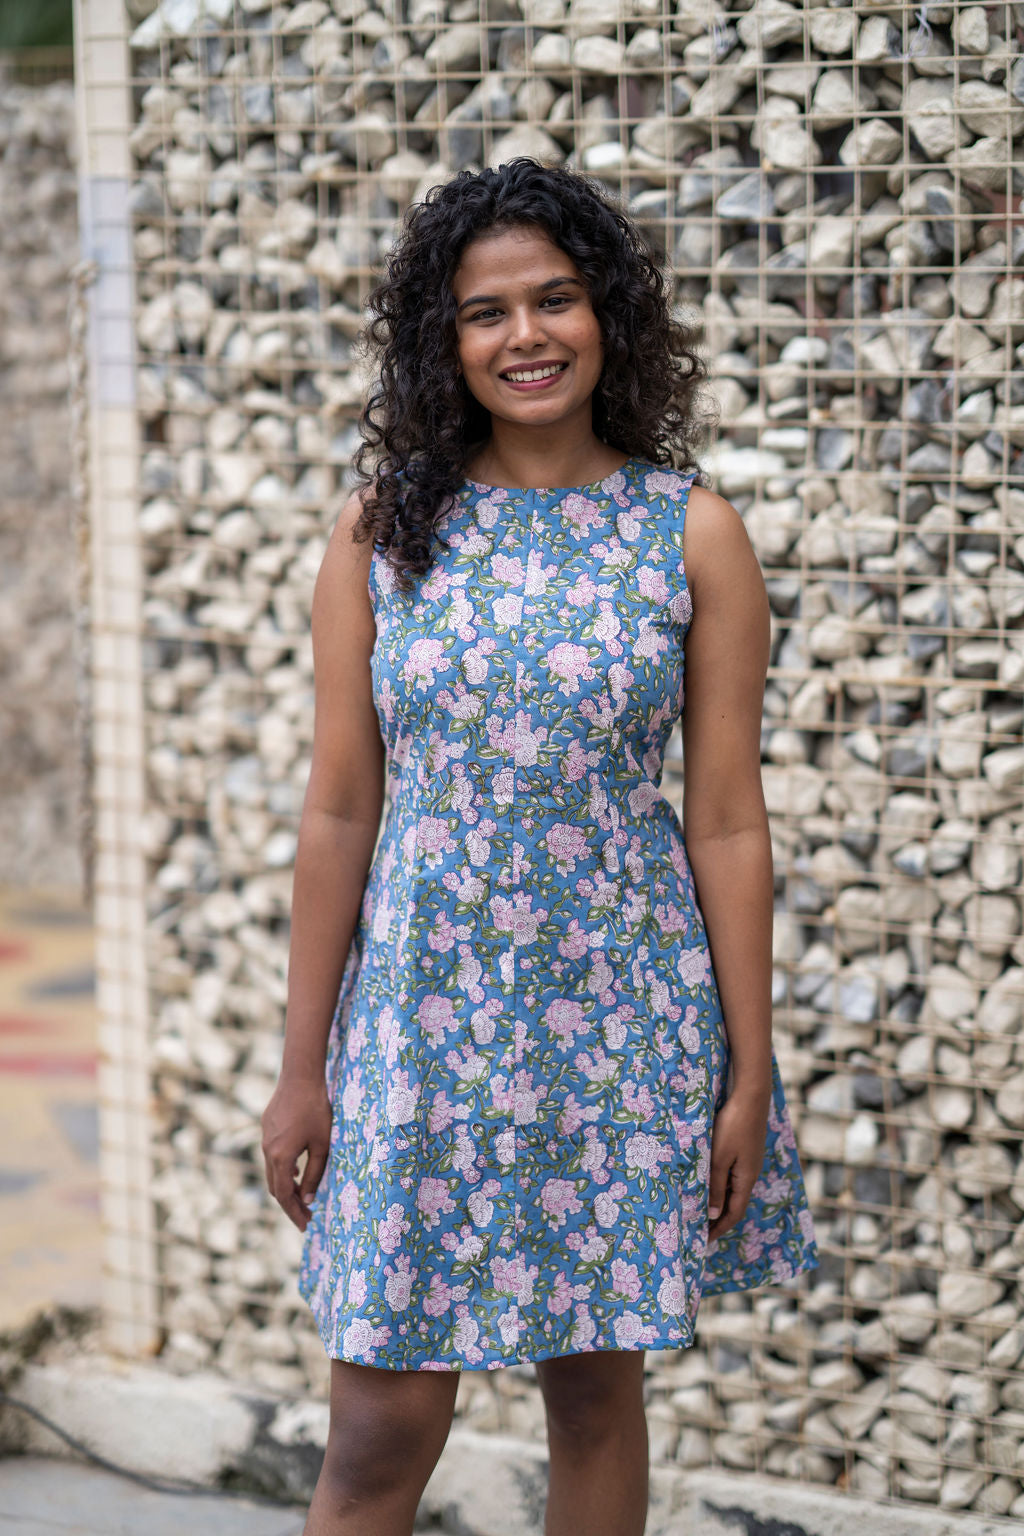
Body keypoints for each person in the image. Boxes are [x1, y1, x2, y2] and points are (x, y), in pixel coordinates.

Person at [261, 157, 818, 1536]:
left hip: (616, 1020)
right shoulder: (384, 531)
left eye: (556, 299)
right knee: (381, 1427)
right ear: (442, 344)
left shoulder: (692, 534)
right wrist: (299, 1066)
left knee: (592, 1391)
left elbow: (729, 819)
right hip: (423, 1020)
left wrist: (750, 1073)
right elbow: (339, 804)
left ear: (607, 313)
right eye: (484, 313)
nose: (526, 336)